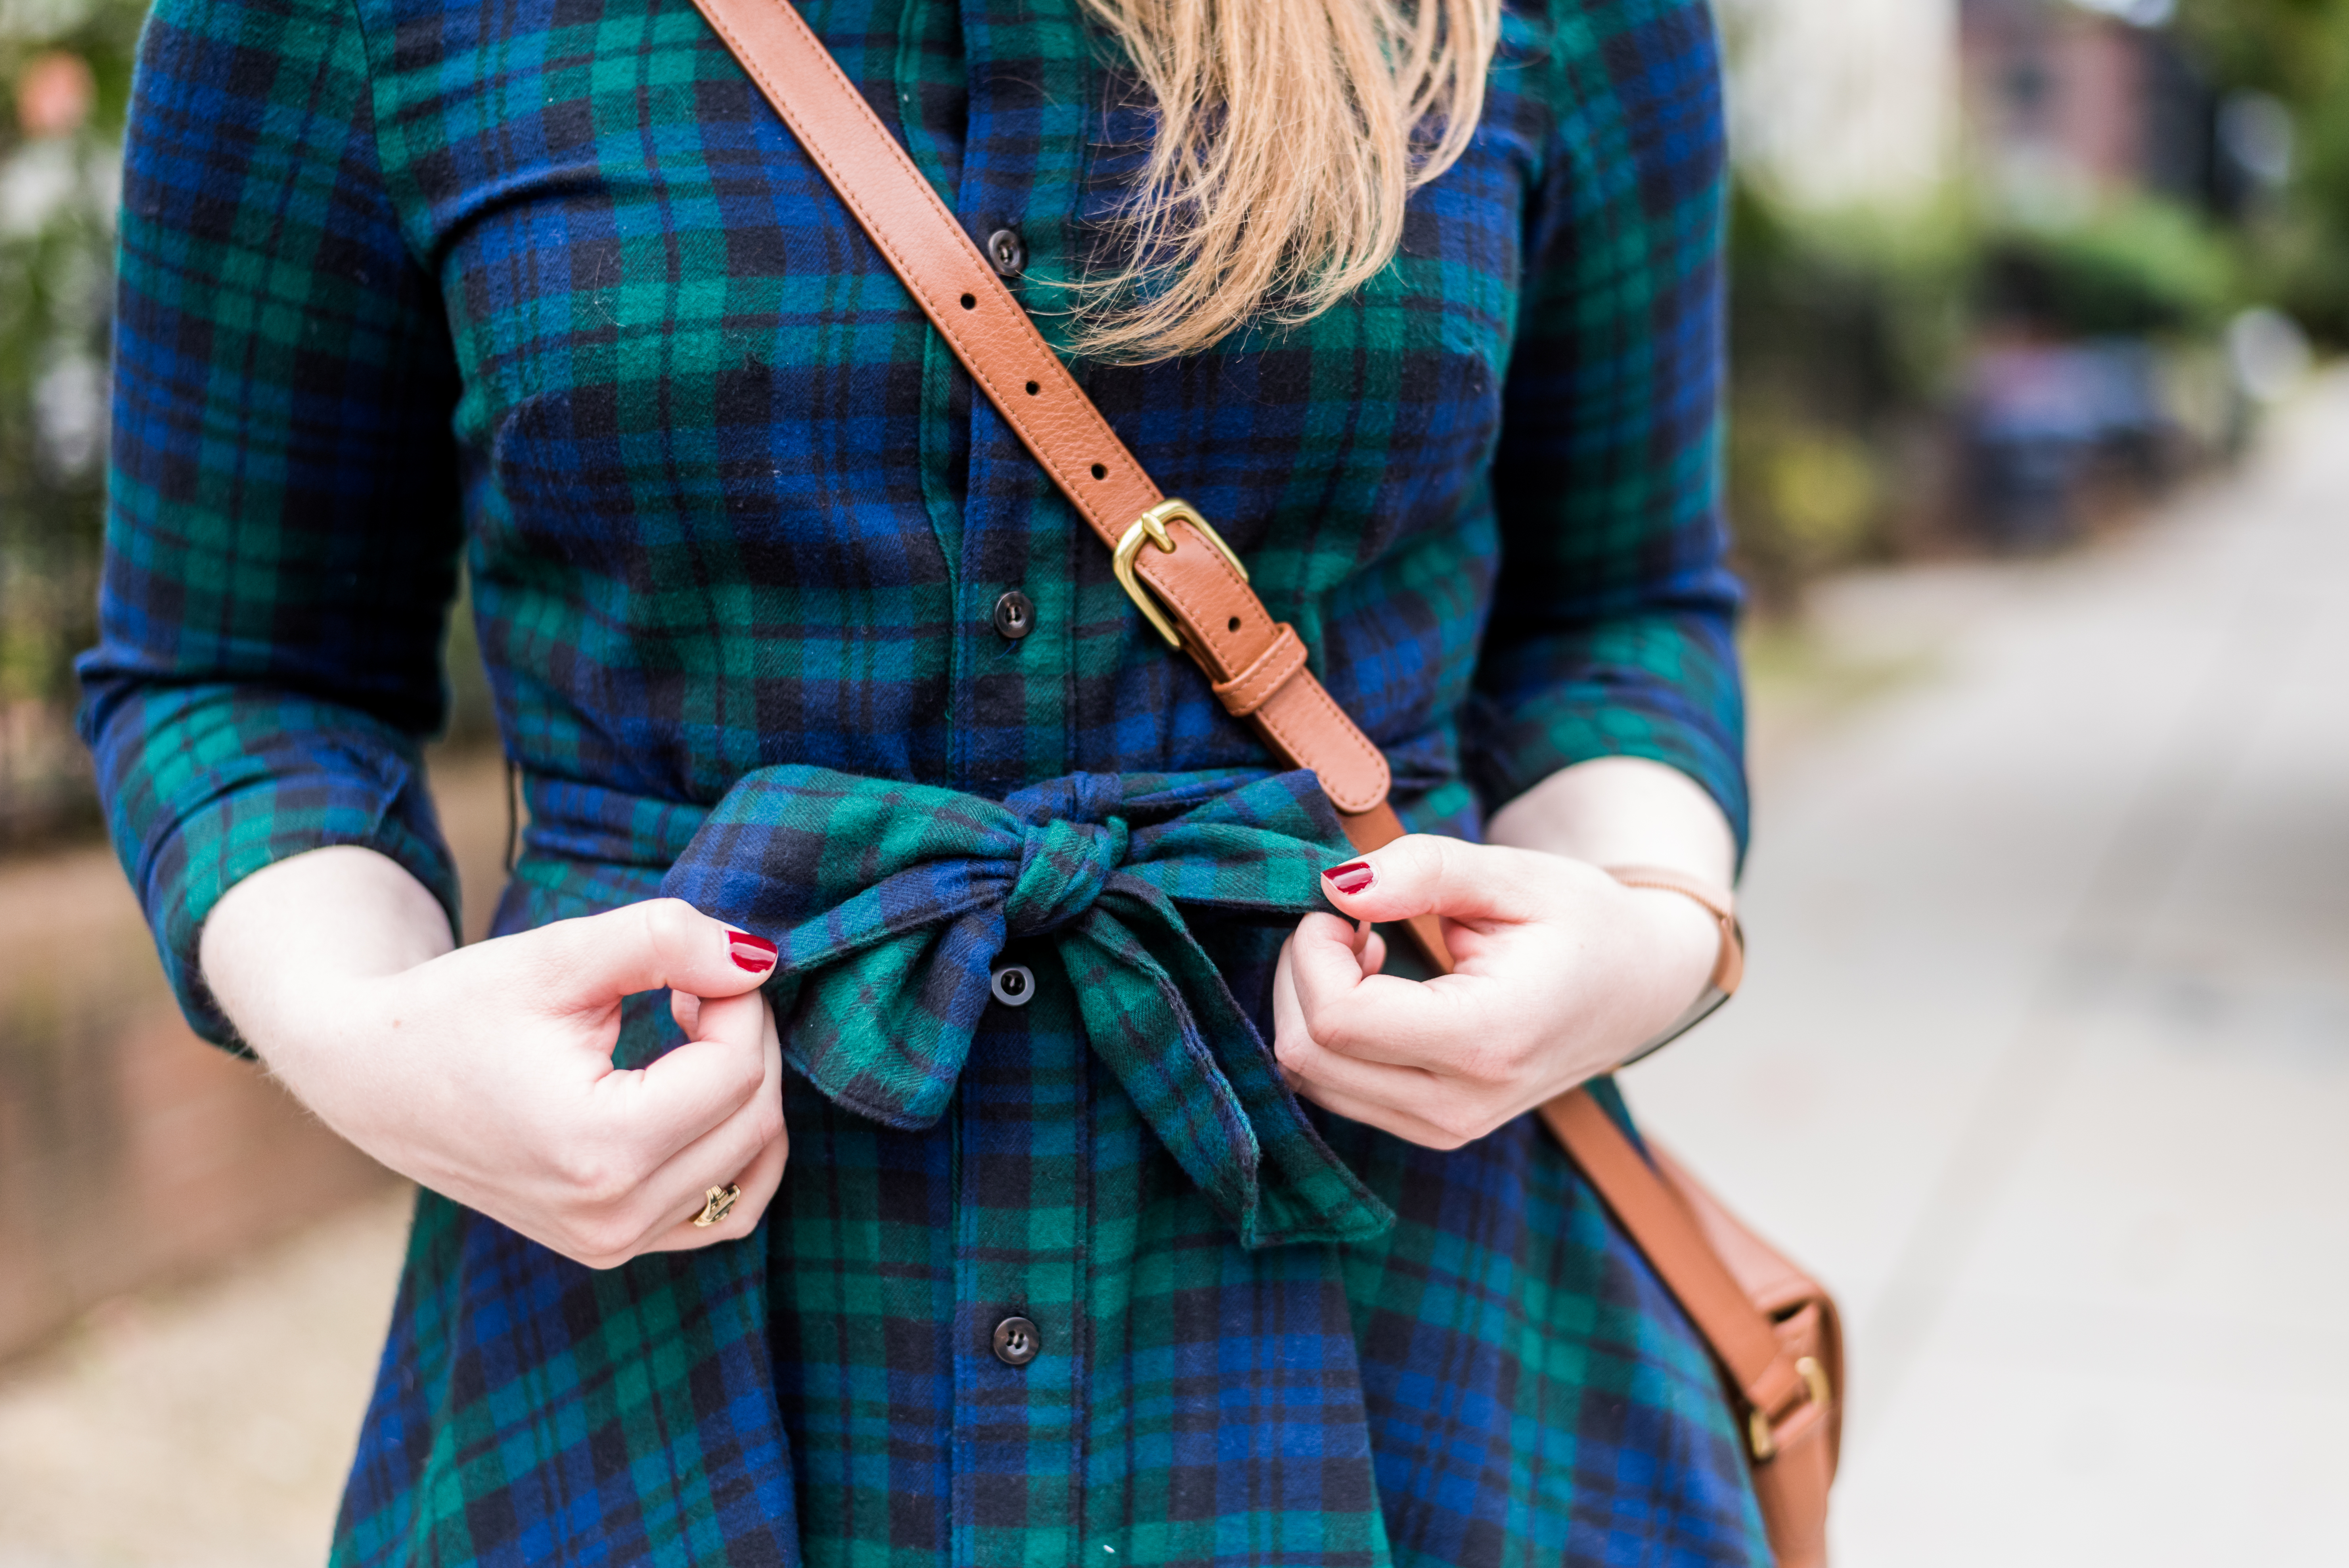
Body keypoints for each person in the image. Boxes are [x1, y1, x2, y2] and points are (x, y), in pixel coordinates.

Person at [79, 0, 1760, 1559]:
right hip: (656, 1315)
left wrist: (1655, 934)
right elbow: (236, 668)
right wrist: (365, 1040)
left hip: (1400, 1308)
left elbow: (1620, 611)